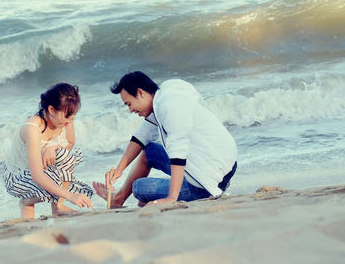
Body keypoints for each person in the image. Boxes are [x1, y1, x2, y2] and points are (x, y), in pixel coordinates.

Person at [93, 71, 237, 207]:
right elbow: (142, 135)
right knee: (150, 150)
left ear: (140, 93)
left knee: (139, 187)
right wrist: (119, 169)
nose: (130, 110)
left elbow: (178, 152)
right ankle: (118, 199)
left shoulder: (170, 107)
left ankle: (174, 192)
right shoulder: (162, 99)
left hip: (205, 183)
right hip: (216, 165)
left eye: (129, 104)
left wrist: (171, 198)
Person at [4, 83, 93, 219]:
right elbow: (37, 175)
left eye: (73, 116)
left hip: (44, 169)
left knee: (66, 156)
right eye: (67, 116)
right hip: (19, 176)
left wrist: (53, 147)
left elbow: (70, 143)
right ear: (51, 109)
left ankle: (58, 207)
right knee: (57, 185)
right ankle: (27, 203)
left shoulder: (66, 118)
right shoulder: (32, 127)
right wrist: (70, 196)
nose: (70, 121)